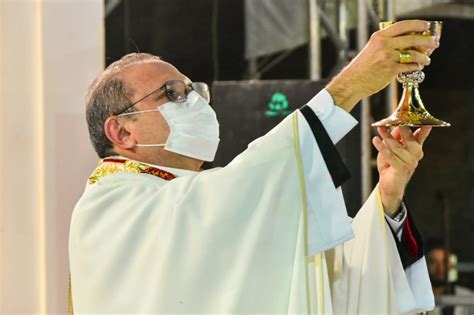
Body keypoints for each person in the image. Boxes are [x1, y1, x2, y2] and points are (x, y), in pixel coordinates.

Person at [69, 20, 438, 314]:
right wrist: (349, 87)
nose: (194, 101)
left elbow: (323, 289)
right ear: (121, 130)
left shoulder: (194, 198)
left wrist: (386, 199)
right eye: (172, 93)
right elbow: (233, 192)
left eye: (193, 90)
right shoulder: (109, 210)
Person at [426, 238, 474, 315]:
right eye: (433, 262)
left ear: (450, 264)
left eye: (444, 261)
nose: (440, 268)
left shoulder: (467, 298)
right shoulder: (414, 299)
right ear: (425, 265)